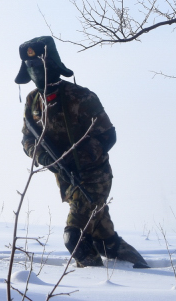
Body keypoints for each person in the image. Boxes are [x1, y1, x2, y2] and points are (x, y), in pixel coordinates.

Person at [15, 36, 148, 269]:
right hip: (67, 181)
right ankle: (145, 270)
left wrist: (78, 160)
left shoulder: (81, 96)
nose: (35, 70)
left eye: (39, 65)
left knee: (74, 238)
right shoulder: (32, 101)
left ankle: (96, 286)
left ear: (52, 64)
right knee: (104, 240)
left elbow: (108, 135)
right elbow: (27, 138)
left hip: (94, 179)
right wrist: (43, 157)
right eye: (30, 67)